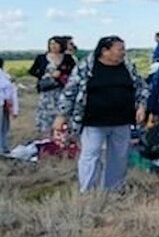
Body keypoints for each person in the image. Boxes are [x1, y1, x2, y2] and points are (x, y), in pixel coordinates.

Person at [54, 35, 147, 192]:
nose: (123, 53)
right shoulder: (87, 67)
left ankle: (113, 190)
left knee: (119, 157)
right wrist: (61, 115)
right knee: (91, 155)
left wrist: (141, 106)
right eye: (120, 49)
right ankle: (87, 191)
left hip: (122, 120)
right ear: (105, 51)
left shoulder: (128, 66)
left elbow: (141, 87)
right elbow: (70, 91)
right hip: (94, 121)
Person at [29, 36, 76, 135]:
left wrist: (63, 75)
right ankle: (48, 138)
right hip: (47, 91)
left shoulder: (68, 58)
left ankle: (63, 139)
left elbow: (74, 73)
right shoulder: (41, 58)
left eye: (56, 44)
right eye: (51, 44)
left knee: (62, 114)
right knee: (47, 116)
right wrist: (46, 75)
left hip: (62, 90)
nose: (53, 46)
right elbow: (32, 71)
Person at [0, 58, 17, 154]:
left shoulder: (4, 75)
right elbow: (9, 91)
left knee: (3, 127)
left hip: (3, 103)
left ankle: (3, 148)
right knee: (3, 127)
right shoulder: (4, 76)